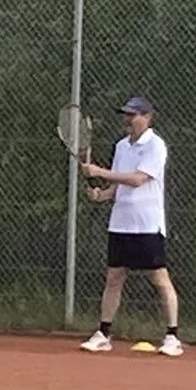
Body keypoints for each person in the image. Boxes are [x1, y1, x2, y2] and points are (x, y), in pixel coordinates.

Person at [79, 95, 180, 357]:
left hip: (147, 224)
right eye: (125, 114)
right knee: (114, 277)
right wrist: (102, 195)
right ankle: (103, 334)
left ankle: (172, 337)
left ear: (147, 117)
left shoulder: (156, 146)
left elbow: (137, 180)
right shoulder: (121, 146)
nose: (127, 119)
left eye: (133, 115)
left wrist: (99, 172)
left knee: (159, 278)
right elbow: (117, 184)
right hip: (121, 223)